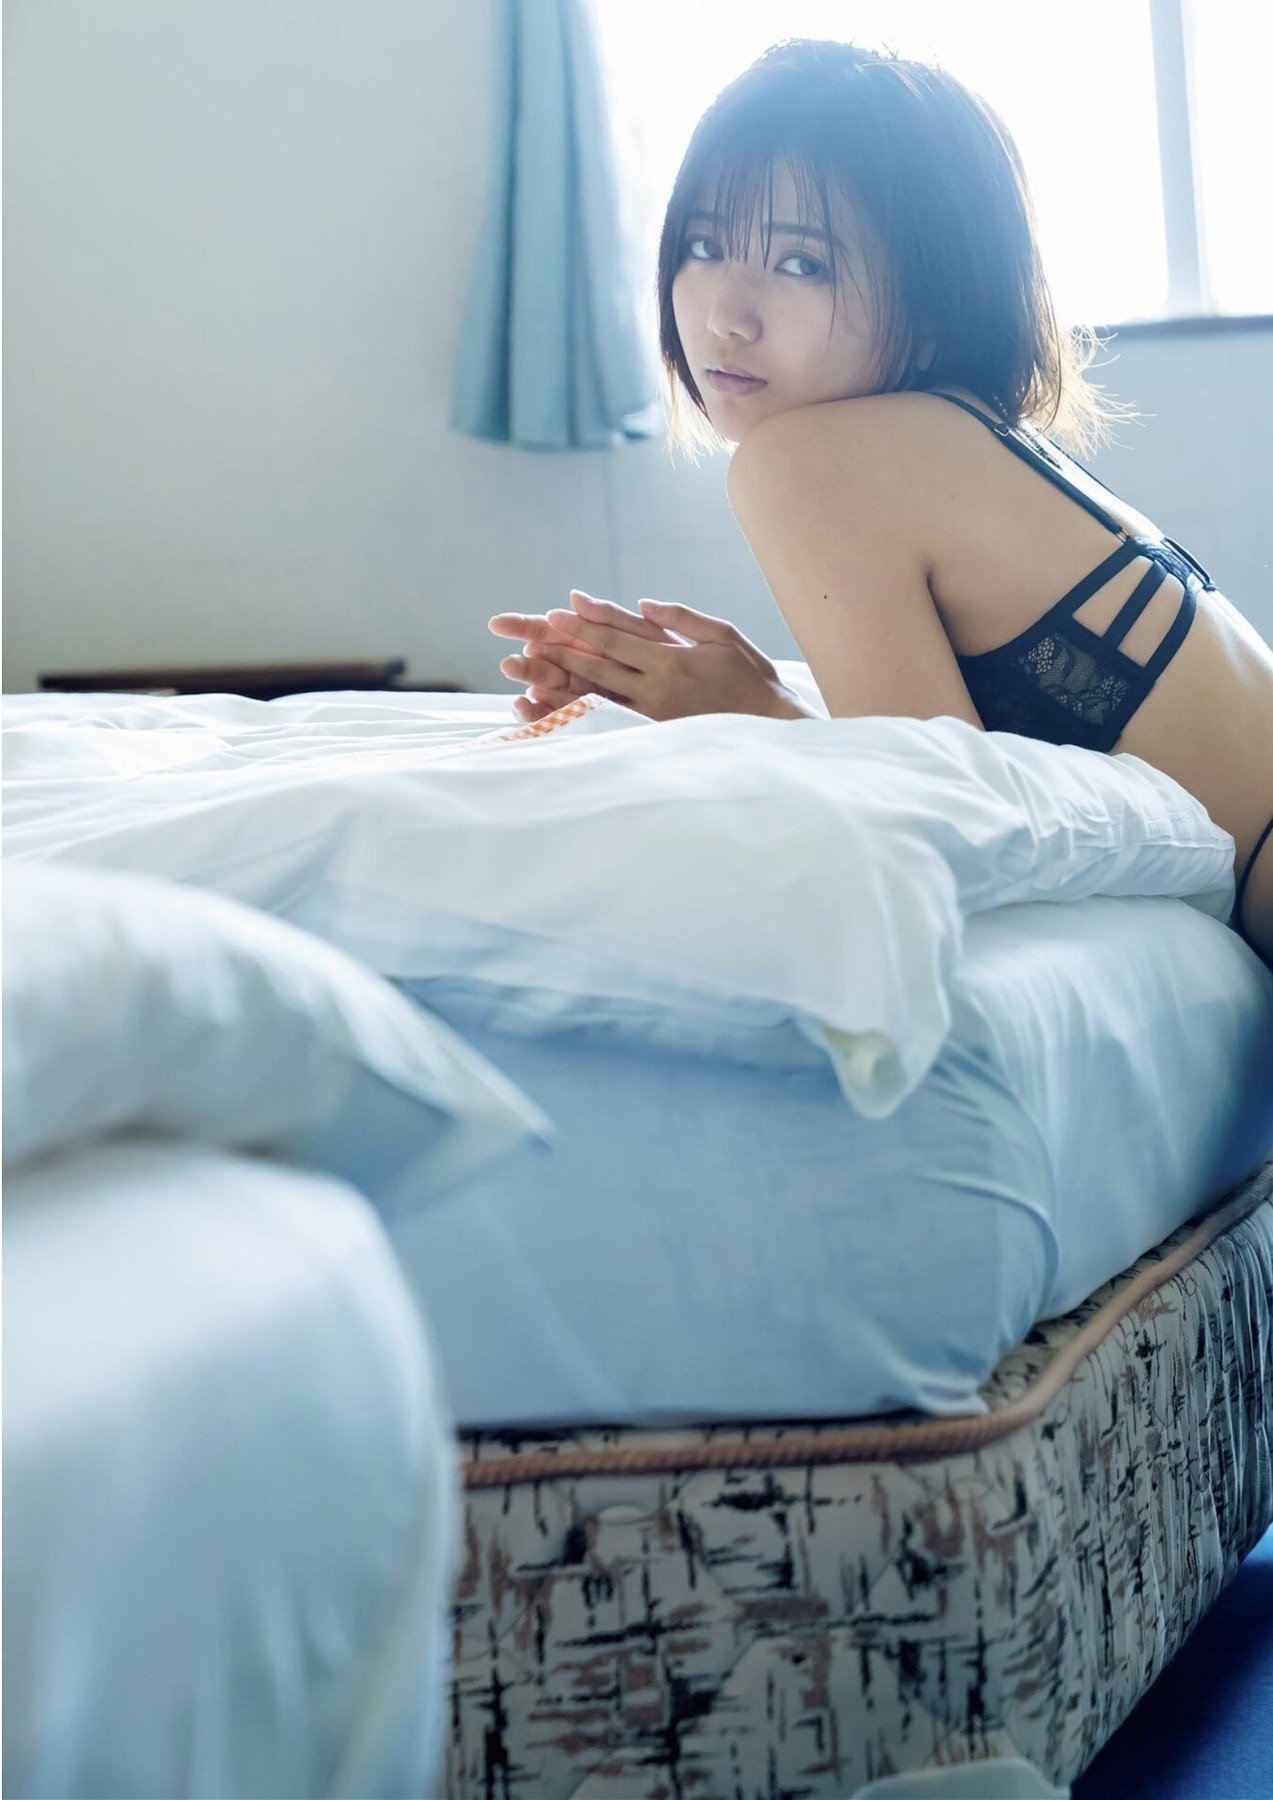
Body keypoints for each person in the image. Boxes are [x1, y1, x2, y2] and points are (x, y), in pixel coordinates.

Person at [487, 38, 1273, 969]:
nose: (725, 315)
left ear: (934, 300)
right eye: (703, 245)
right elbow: (949, 759)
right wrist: (758, 699)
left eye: (801, 264)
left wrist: (746, 713)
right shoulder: (960, 432)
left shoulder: (810, 458)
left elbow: (935, 807)